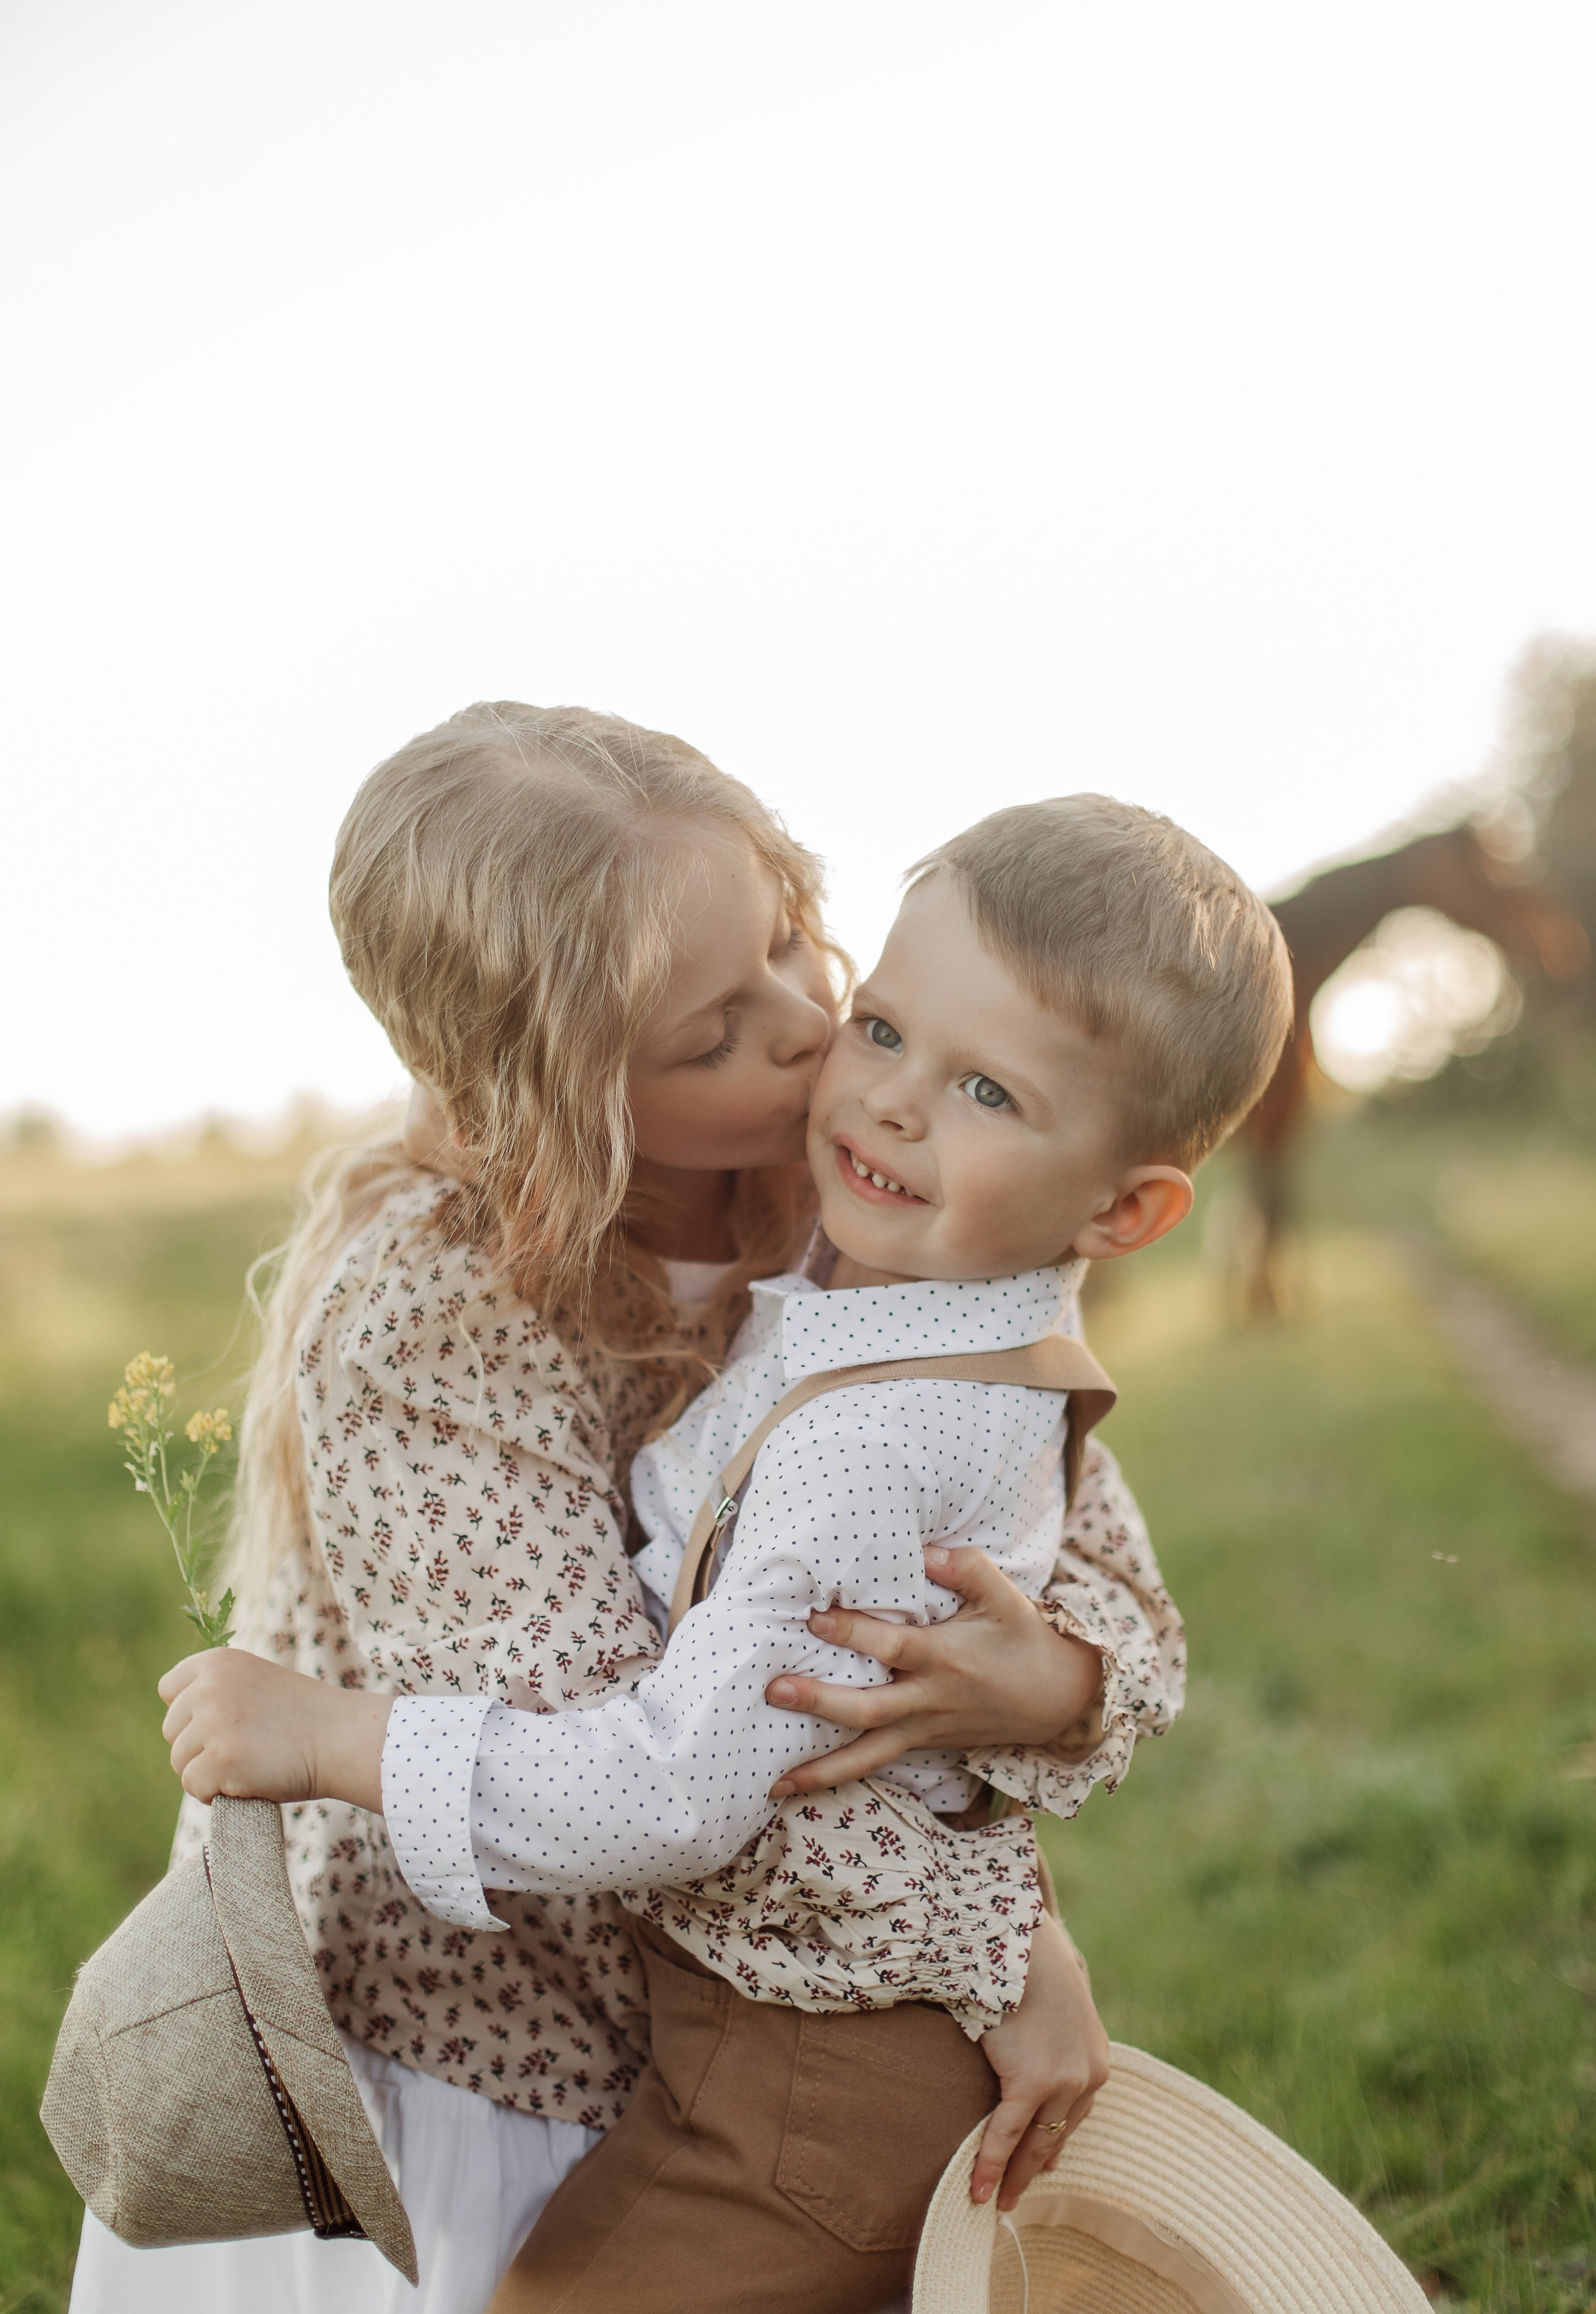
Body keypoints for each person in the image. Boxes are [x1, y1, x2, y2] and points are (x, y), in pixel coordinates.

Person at [75, 707, 1180, 2314]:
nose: (814, 1029)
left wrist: (1057, 1680)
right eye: (717, 1032)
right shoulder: (430, 1322)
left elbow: (1093, 1567)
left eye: (802, 941)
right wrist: (1000, 1943)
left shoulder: (861, 1192)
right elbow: (652, 1765)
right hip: (496, 2032)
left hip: (769, 2001)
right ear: (548, 1097)